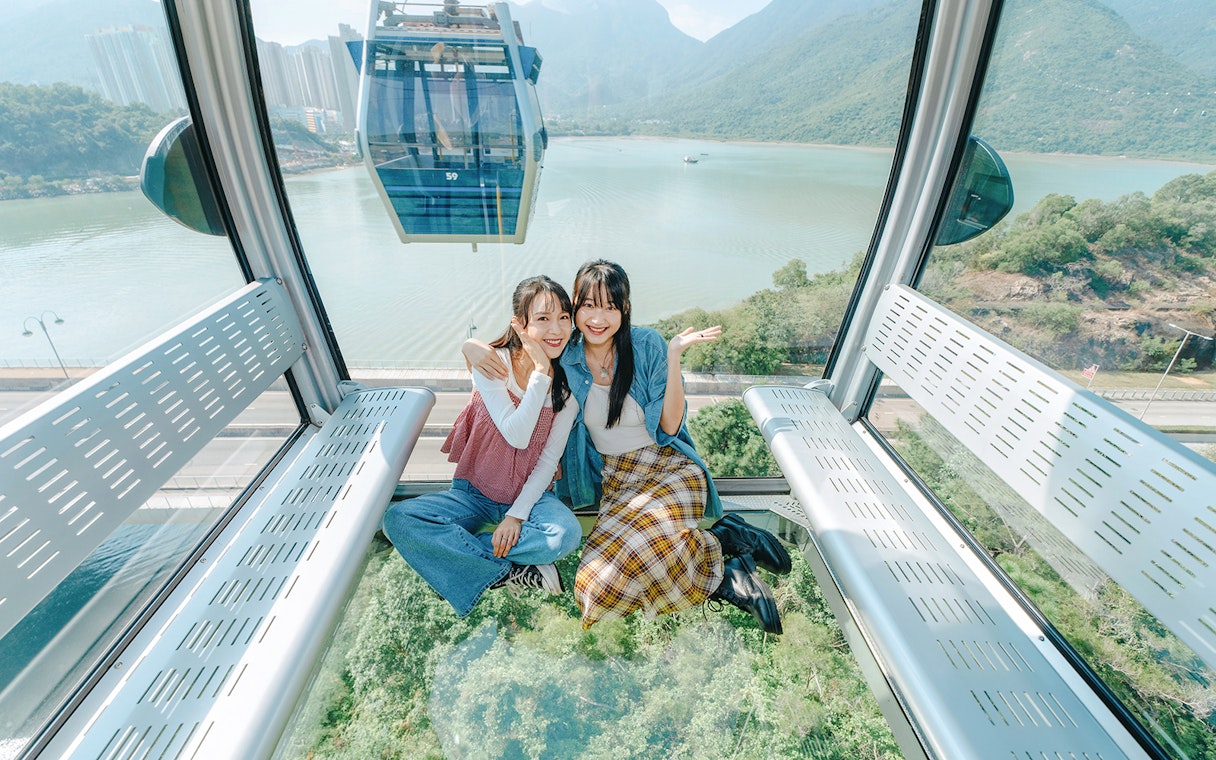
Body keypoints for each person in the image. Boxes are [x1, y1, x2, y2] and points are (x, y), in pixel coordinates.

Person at [466, 260, 790, 634]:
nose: (597, 318)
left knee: (645, 552)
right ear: (575, 308)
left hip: (669, 468)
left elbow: (669, 426)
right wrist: (470, 346)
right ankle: (726, 546)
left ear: (625, 309)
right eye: (588, 305)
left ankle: (724, 568)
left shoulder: (647, 345)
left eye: (609, 307)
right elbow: (516, 344)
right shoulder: (565, 353)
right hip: (619, 481)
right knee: (595, 590)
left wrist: (673, 357)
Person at [382, 275, 582, 617]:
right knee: (398, 519)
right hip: (474, 493)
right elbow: (515, 433)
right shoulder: (493, 364)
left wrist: (517, 516)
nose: (557, 329)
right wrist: (540, 374)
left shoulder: (567, 391)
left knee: (564, 536)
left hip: (530, 499)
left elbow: (548, 461)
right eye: (543, 318)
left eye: (564, 317)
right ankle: (512, 570)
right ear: (519, 324)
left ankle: (464, 568)